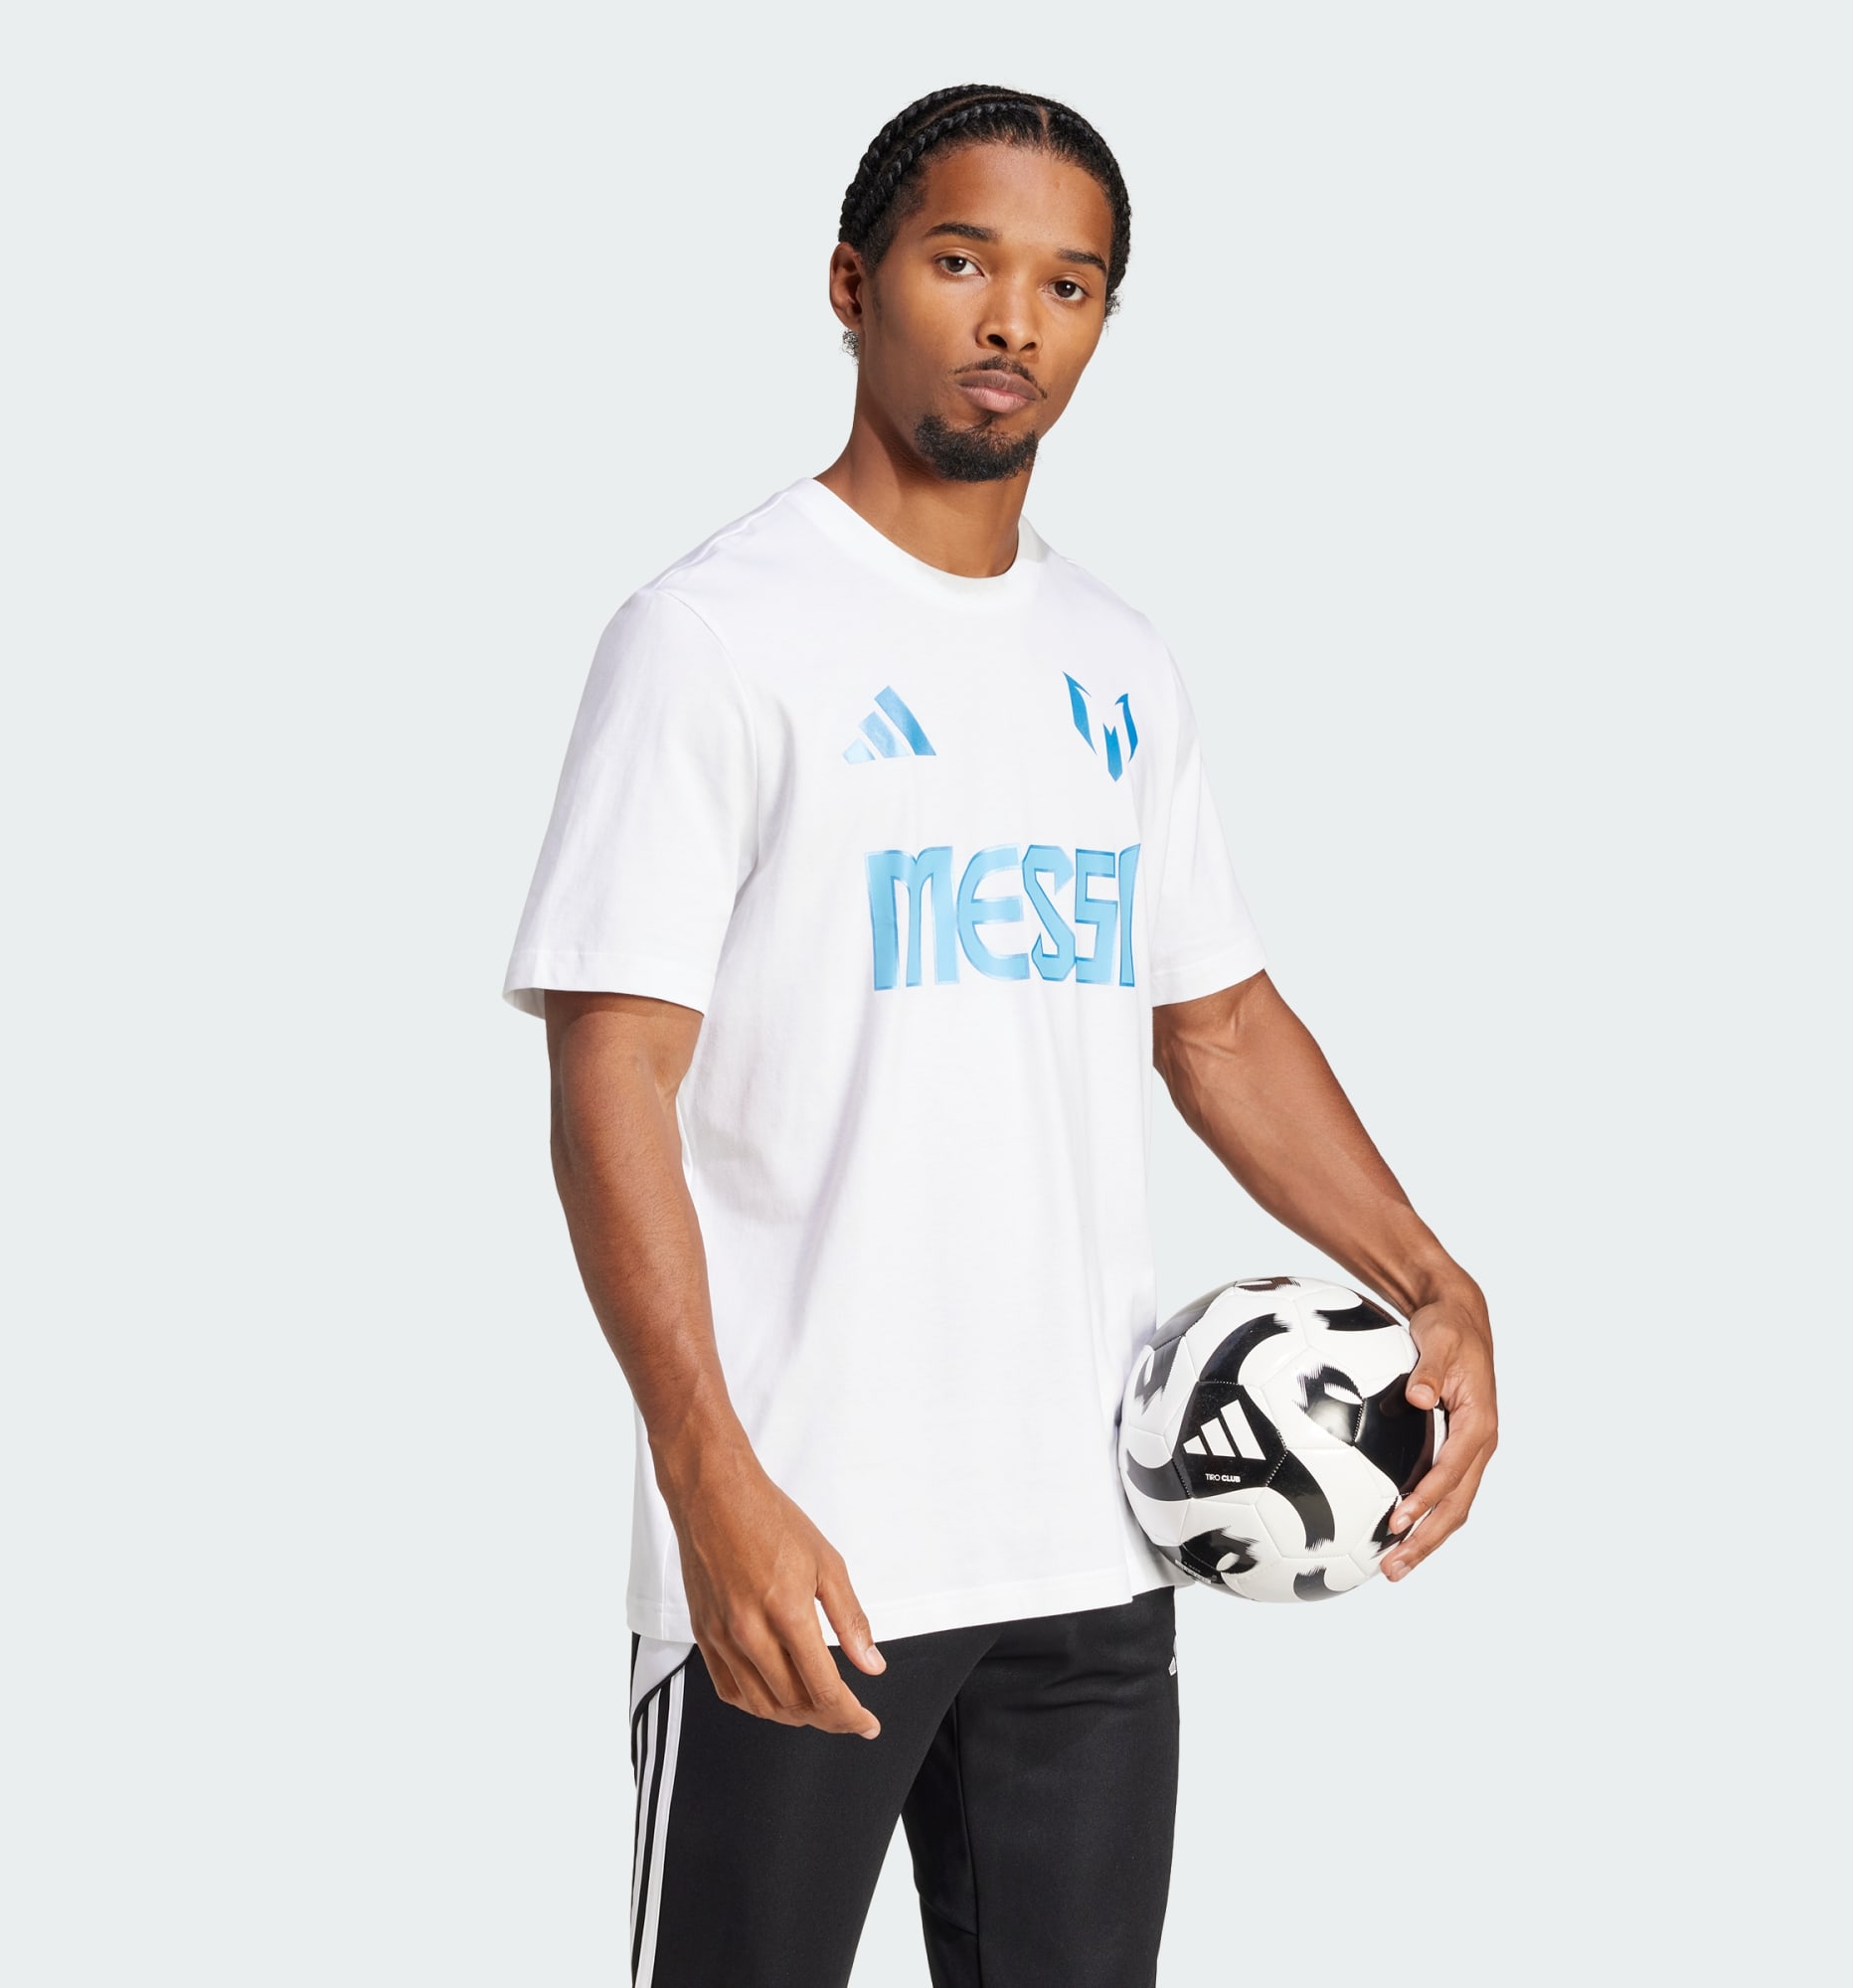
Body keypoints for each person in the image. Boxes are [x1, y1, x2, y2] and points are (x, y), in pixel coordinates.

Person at [503, 83, 1498, 1988]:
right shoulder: (711, 638)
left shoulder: (1118, 658)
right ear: (852, 284)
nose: (1014, 321)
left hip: (1097, 1550)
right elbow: (609, 1072)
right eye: (962, 262)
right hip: (799, 1555)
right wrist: (710, 1480)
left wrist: (1433, 1281)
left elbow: (1215, 1022)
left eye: (1069, 283)